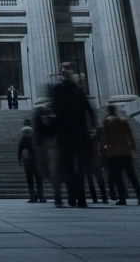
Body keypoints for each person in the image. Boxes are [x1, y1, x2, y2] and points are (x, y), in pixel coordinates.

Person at [48, 64, 96, 208]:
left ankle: (72, 197)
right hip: (80, 134)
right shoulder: (78, 90)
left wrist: (52, 131)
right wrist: (92, 128)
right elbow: (90, 111)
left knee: (68, 168)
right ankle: (80, 198)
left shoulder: (58, 90)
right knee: (79, 168)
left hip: (65, 135)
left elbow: (54, 111)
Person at [99, 105, 140, 206]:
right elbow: (129, 134)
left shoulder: (107, 122)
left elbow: (104, 137)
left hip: (114, 154)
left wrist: (102, 149)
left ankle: (122, 199)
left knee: (118, 178)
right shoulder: (122, 120)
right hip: (126, 152)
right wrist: (133, 147)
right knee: (132, 176)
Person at [18, 124, 41, 202]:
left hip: (27, 162)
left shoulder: (23, 140)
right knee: (38, 179)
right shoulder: (35, 138)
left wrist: (19, 160)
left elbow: (20, 150)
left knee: (30, 180)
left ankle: (32, 196)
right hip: (36, 162)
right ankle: (40, 196)